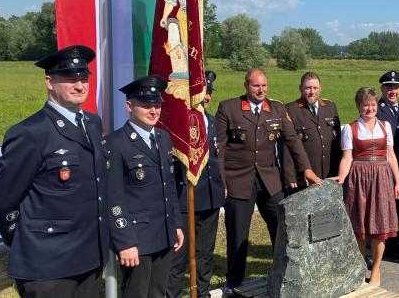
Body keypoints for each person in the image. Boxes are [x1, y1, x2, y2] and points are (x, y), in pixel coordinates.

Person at [0, 45, 109, 298]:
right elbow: (3, 201)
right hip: (48, 265)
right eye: (69, 79)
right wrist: (25, 242)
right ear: (49, 82)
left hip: (89, 257)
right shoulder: (31, 133)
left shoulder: (93, 123)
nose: (79, 85)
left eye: (83, 78)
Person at [215, 69, 322, 293]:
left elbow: (292, 141)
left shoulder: (276, 109)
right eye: (256, 86)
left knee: (281, 228)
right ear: (246, 86)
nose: (261, 90)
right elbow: (220, 150)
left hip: (269, 180)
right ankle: (233, 283)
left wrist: (307, 169)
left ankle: (283, 274)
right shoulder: (229, 108)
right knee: (237, 235)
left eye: (264, 86)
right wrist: (221, 180)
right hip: (238, 180)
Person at [107, 75, 185, 298]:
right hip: (137, 239)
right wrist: (124, 242)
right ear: (129, 106)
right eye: (146, 105)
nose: (153, 111)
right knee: (137, 293)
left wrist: (176, 224)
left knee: (158, 292)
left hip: (164, 232)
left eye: (157, 105)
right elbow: (114, 198)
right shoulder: (115, 143)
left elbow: (169, 187)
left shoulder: (162, 138)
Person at [333, 87, 399, 287]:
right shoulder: (350, 129)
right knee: (360, 227)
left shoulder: (385, 126)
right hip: (358, 178)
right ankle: (360, 265)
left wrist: (397, 182)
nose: (369, 108)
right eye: (365, 105)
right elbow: (347, 158)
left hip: (381, 178)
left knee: (380, 227)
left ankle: (377, 270)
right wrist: (341, 179)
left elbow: (390, 155)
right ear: (358, 106)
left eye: (372, 104)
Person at [168, 71, 225, 298]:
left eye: (209, 93)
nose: (207, 97)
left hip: (210, 196)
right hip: (186, 198)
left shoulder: (210, 121)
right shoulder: (181, 123)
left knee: (205, 253)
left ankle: (201, 292)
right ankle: (172, 294)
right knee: (179, 257)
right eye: (203, 92)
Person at [282, 71, 342, 194]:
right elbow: (286, 145)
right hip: (305, 175)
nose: (312, 92)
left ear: (320, 88)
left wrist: (340, 169)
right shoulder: (290, 109)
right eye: (308, 88)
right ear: (300, 88)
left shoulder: (330, 106)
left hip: (330, 172)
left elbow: (338, 140)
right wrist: (290, 175)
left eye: (315, 88)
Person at [376, 70, 399, 260]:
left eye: (396, 87)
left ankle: (395, 240)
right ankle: (388, 244)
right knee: (387, 207)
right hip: (385, 166)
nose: (392, 91)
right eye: (388, 87)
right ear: (382, 88)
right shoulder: (377, 110)